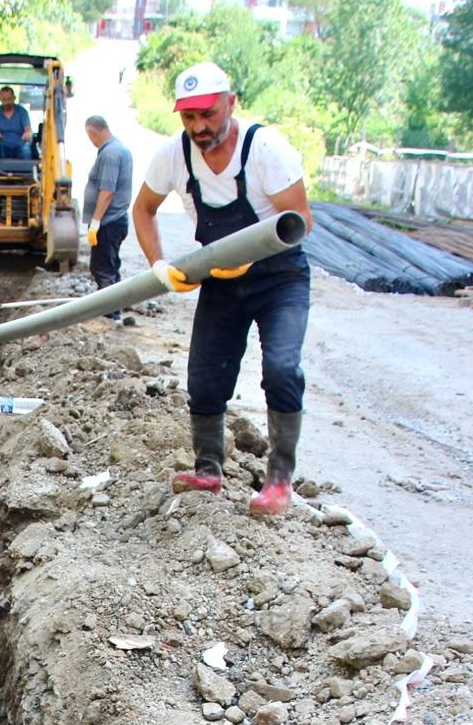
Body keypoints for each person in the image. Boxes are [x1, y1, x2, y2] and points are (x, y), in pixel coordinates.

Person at [131, 61, 313, 516]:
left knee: (282, 370)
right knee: (205, 378)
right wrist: (159, 266)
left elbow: (301, 220)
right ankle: (208, 470)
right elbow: (144, 209)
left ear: (231, 103)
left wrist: (253, 252)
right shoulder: (174, 155)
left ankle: (278, 482)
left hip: (279, 278)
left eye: (208, 115)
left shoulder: (265, 149)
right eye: (189, 118)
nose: (199, 127)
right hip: (221, 280)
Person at [83, 115, 133, 322]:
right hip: (114, 220)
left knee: (103, 269)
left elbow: (107, 191)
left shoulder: (110, 154)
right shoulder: (117, 149)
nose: (90, 140)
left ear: (93, 132)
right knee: (109, 266)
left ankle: (109, 314)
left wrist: (95, 222)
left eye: (89, 136)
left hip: (109, 221)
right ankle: (114, 309)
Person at [0, 86, 33, 160]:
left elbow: (29, 131)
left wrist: (27, 135)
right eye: (4, 99)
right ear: (0, 99)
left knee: (26, 152)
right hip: (0, 145)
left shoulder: (22, 112)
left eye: (9, 99)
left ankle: (27, 171)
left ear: (14, 98)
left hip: (19, 144)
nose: (7, 102)